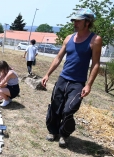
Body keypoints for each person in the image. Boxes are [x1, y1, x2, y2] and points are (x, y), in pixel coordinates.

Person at [41, 8, 102, 148]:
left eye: (78, 20)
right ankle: (53, 132)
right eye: (74, 20)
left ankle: (64, 134)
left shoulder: (95, 39)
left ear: (87, 22)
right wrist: (47, 74)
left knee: (69, 109)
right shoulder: (69, 38)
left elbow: (96, 64)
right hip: (63, 79)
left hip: (78, 83)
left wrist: (89, 85)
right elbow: (58, 58)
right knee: (55, 106)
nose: (75, 23)